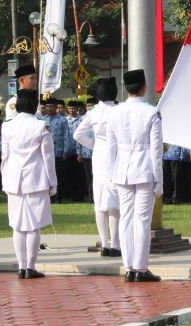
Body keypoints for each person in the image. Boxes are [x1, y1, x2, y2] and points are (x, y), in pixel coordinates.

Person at [106, 69, 163, 282]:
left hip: (121, 169)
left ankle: (129, 266)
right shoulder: (151, 112)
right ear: (143, 87)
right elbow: (156, 151)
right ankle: (140, 267)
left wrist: (111, 174)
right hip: (144, 169)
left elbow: (111, 148)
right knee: (142, 220)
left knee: (126, 218)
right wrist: (159, 180)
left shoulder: (114, 112)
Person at [0, 89, 57, 279]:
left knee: (18, 226)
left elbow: (4, 157)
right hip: (36, 179)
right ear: (34, 105)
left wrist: (4, 179)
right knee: (33, 226)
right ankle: (30, 267)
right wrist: (53, 182)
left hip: (13, 179)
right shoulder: (42, 126)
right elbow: (48, 158)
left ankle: (21, 266)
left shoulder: (7, 126)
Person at [74, 77, 121, 257]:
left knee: (100, 203)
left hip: (99, 156)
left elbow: (78, 134)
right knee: (114, 204)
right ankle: (115, 244)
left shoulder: (93, 112)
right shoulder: (118, 110)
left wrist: (95, 144)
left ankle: (105, 243)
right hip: (115, 154)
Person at [43, 99, 70, 203]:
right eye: (47, 106)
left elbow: (67, 136)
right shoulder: (42, 120)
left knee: (58, 175)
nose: (49, 108)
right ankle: (48, 197)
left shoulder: (62, 120)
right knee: (46, 175)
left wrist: (65, 151)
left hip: (58, 152)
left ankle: (58, 197)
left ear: (56, 108)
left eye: (51, 106)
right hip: (45, 153)